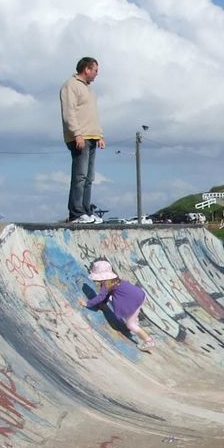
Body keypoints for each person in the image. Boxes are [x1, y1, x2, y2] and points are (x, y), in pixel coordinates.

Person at [60, 57, 105, 224]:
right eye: (95, 71)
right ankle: (76, 213)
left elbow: (92, 114)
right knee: (79, 176)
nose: (96, 75)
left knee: (89, 177)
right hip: (80, 137)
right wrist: (77, 134)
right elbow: (69, 112)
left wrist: (99, 135)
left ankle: (86, 211)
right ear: (86, 69)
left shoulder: (89, 89)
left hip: (92, 136)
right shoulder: (70, 85)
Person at [81, 259, 155, 351]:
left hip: (134, 301)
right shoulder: (113, 280)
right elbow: (107, 295)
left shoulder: (106, 284)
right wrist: (103, 304)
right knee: (132, 311)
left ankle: (148, 341)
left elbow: (101, 296)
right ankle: (135, 319)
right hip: (140, 295)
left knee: (130, 325)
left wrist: (88, 303)